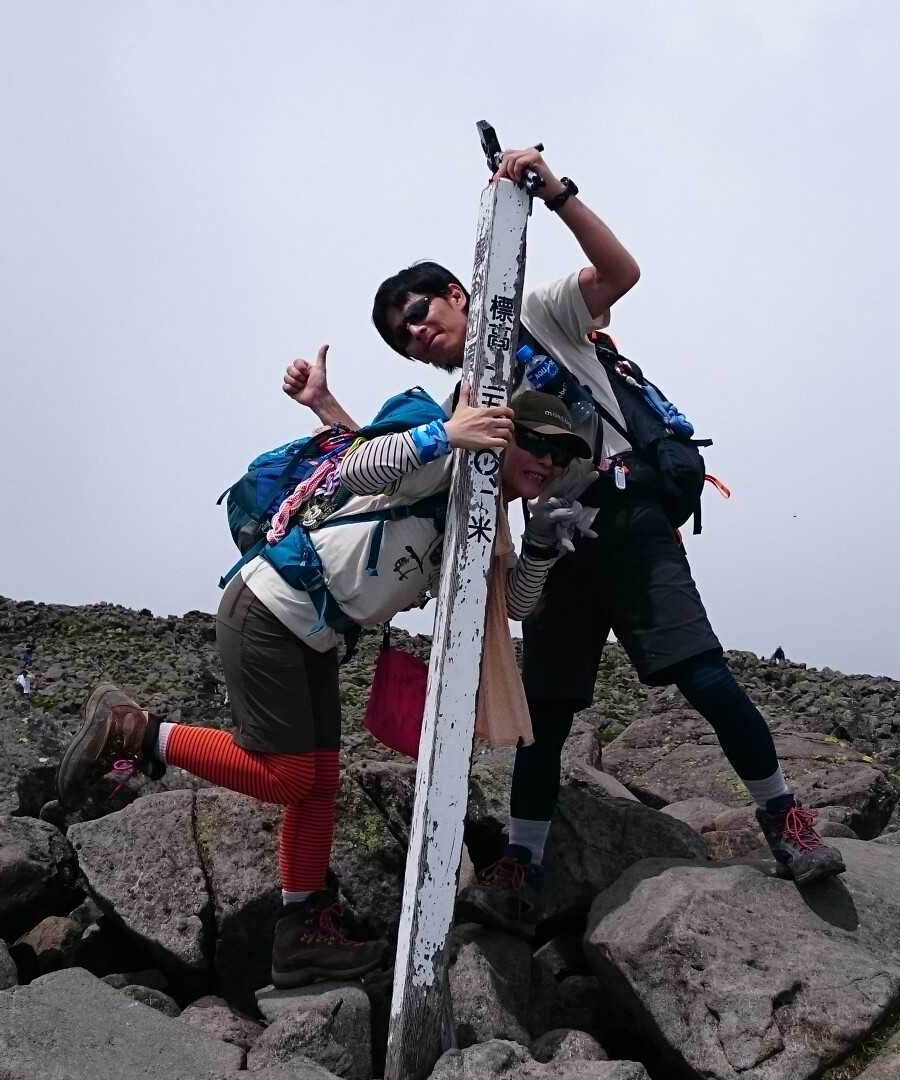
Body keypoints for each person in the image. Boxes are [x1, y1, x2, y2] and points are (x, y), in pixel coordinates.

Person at [343, 142, 845, 937]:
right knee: (545, 713)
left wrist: (556, 192)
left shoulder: (539, 313)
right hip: (557, 545)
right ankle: (523, 860)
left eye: (416, 316)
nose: (416, 338)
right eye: (402, 341)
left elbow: (620, 273)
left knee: (704, 677)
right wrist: (330, 411)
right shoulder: (463, 402)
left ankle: (785, 818)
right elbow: (401, 475)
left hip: (630, 515)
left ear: (455, 294)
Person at [57, 389, 588, 987]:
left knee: (319, 783)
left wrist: (541, 545)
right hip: (269, 609)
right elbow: (356, 467)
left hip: (313, 634)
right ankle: (135, 731)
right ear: (502, 432)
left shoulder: (489, 516)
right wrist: (445, 435)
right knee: (288, 776)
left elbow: (513, 603)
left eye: (561, 454)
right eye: (534, 442)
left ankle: (299, 931)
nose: (547, 460)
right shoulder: (449, 460)